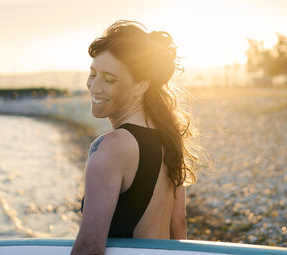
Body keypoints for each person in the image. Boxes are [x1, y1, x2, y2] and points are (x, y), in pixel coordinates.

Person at [70, 20, 197, 255]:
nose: (94, 87)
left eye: (109, 79)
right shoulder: (169, 139)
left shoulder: (112, 148)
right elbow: (178, 226)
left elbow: (90, 246)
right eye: (92, 74)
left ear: (141, 86)